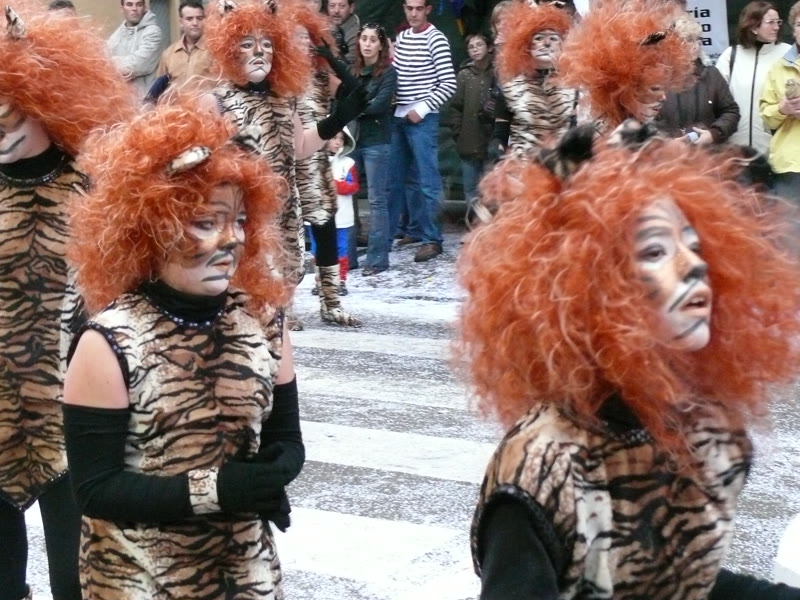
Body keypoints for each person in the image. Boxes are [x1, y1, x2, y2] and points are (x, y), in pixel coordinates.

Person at [458, 121, 800, 599]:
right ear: (594, 286)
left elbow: (682, 585)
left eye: (695, 246)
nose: (694, 266)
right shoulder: (542, 470)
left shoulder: (701, 430)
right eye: (657, 250)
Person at [63, 101, 301, 599]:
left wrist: (274, 471)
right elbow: (95, 488)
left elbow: (286, 437)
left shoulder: (264, 322)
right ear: (152, 227)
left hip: (245, 574)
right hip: (139, 578)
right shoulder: (108, 340)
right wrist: (219, 490)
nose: (230, 240)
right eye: (205, 222)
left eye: (239, 220)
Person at [0, 3, 135, 599]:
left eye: (8, 108)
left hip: (76, 414)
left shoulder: (97, 188)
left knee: (78, 580)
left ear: (50, 98)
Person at [203, 0, 366, 321]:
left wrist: (337, 120)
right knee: (248, 305)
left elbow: (301, 147)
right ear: (230, 50)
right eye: (247, 44)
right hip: (242, 217)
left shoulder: (283, 98)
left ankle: (293, 314)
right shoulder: (216, 100)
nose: (259, 51)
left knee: (283, 285)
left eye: (266, 44)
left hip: (283, 212)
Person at [288, 1, 362, 326]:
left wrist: (332, 58)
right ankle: (283, 308)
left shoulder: (320, 76)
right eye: (296, 38)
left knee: (326, 231)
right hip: (285, 166)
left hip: (316, 165)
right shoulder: (275, 79)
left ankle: (330, 302)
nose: (302, 44)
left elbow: (357, 95)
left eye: (307, 38)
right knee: (287, 240)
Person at [558, 0, 694, 131]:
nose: (663, 97)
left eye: (664, 88)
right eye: (654, 89)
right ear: (623, 91)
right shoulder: (601, 138)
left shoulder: (644, 134)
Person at [389, 0, 457, 263]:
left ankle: (433, 239)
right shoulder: (403, 37)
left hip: (422, 117)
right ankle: (413, 229)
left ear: (428, 9)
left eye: (419, 9)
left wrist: (424, 108)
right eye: (409, 8)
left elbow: (448, 83)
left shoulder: (436, 38)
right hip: (399, 114)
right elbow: (398, 74)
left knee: (428, 180)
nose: (413, 13)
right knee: (402, 179)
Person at [490, 2, 576, 158]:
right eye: (539, 38)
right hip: (524, 165)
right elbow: (500, 133)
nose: (547, 43)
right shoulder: (510, 88)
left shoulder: (572, 87)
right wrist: (497, 151)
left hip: (560, 165)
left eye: (553, 38)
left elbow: (575, 131)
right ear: (527, 46)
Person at [715, 1, 790, 154]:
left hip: (777, 150)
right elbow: (717, 100)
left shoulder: (788, 54)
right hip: (734, 150)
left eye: (778, 22)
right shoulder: (730, 56)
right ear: (754, 27)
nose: (776, 27)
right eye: (770, 22)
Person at [352, 22, 397, 275]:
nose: (367, 44)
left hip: (377, 140)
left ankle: (377, 259)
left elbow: (379, 105)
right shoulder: (353, 69)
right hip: (352, 139)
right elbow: (341, 100)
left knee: (377, 199)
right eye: (364, 39)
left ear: (381, 45)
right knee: (345, 198)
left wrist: (354, 107)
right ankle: (347, 257)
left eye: (373, 40)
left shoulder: (389, 73)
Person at [657, 17, 741, 145]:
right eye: (688, 40)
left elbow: (731, 111)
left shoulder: (711, 75)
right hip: (668, 154)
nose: (696, 46)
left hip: (708, 153)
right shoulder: (656, 78)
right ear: (672, 45)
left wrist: (713, 134)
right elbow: (645, 120)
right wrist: (665, 143)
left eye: (697, 40)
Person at [760, 0, 800, 202]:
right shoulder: (778, 68)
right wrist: (782, 109)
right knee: (791, 221)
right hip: (790, 164)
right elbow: (766, 117)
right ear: (793, 30)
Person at [449, 32, 494, 214]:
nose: (475, 49)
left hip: (492, 139)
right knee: (470, 187)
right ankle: (475, 222)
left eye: (479, 45)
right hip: (468, 138)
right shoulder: (464, 75)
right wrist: (457, 132)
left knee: (491, 187)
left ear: (489, 47)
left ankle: (491, 223)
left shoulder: (498, 73)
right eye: (471, 47)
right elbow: (456, 106)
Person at [156, 0, 217, 92]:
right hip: (176, 101)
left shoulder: (215, 50)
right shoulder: (169, 54)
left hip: (207, 101)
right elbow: (159, 89)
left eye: (199, 18)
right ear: (181, 22)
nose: (195, 23)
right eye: (189, 19)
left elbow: (225, 86)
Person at [107, 0, 163, 99]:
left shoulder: (153, 32)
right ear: (122, 9)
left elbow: (138, 64)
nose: (134, 9)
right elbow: (103, 60)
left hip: (143, 100)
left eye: (139, 4)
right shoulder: (117, 35)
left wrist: (111, 64)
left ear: (144, 7)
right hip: (120, 99)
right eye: (129, 4)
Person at [327, 129, 359, 294]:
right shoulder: (312, 162)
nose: (338, 142)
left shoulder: (348, 163)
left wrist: (335, 185)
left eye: (341, 138)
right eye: (334, 137)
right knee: (319, 249)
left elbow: (353, 186)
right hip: (319, 214)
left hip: (341, 215)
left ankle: (340, 280)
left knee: (341, 248)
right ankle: (322, 280)